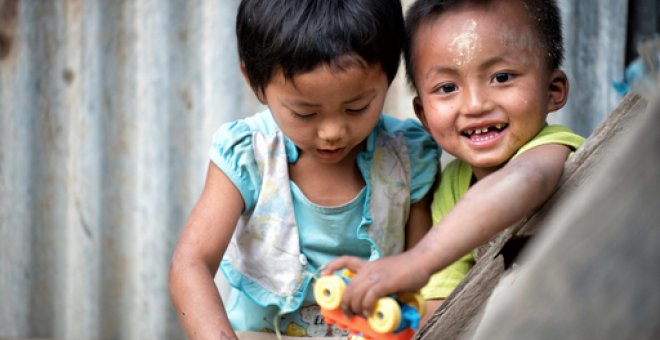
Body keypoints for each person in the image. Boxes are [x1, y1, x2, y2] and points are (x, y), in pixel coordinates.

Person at [167, 0, 440, 338]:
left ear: (390, 72)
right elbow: (190, 264)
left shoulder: (407, 157)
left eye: (357, 107)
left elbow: (426, 281)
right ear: (254, 80)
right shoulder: (250, 156)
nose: (332, 132)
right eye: (305, 113)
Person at [323, 0, 585, 325]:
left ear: (553, 91)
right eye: (447, 87)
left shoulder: (556, 149)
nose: (475, 105)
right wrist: (386, 321)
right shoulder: (451, 187)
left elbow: (524, 180)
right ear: (423, 116)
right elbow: (443, 303)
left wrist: (416, 260)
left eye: (502, 77)